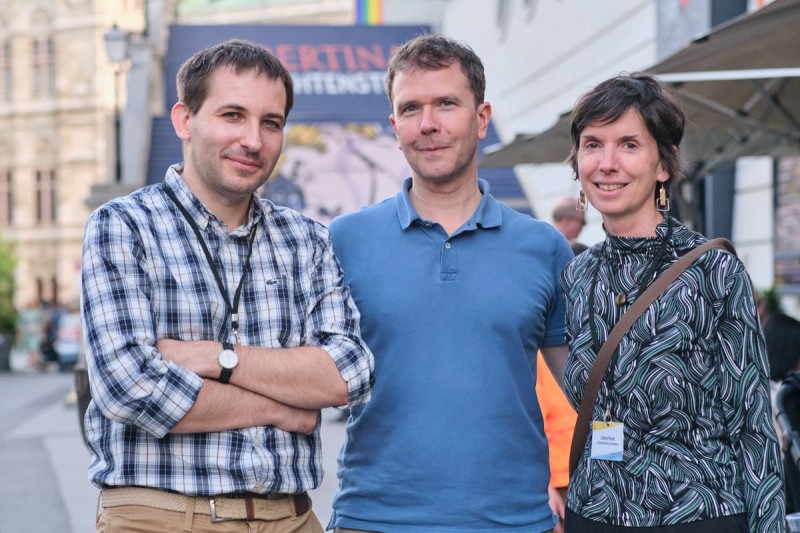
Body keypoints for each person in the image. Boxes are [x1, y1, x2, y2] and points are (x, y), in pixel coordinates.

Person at [81, 39, 374, 533]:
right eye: (232, 115)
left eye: (271, 122)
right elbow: (127, 386)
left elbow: (348, 373)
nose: (254, 140)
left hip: (291, 517)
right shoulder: (123, 226)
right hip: (162, 516)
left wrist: (216, 358)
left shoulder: (308, 240)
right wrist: (283, 407)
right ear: (184, 120)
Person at [327, 34, 573, 532]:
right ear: (395, 127)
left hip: (514, 521)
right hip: (373, 519)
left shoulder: (544, 247)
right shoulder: (342, 240)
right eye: (411, 108)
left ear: (481, 119)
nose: (429, 124)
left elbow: (587, 389)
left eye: (446, 103)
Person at [560, 72, 785, 531]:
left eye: (628, 144)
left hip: (697, 513)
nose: (607, 163)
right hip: (595, 514)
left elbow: (754, 423)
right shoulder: (577, 275)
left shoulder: (713, 271)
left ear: (664, 164)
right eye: (592, 144)